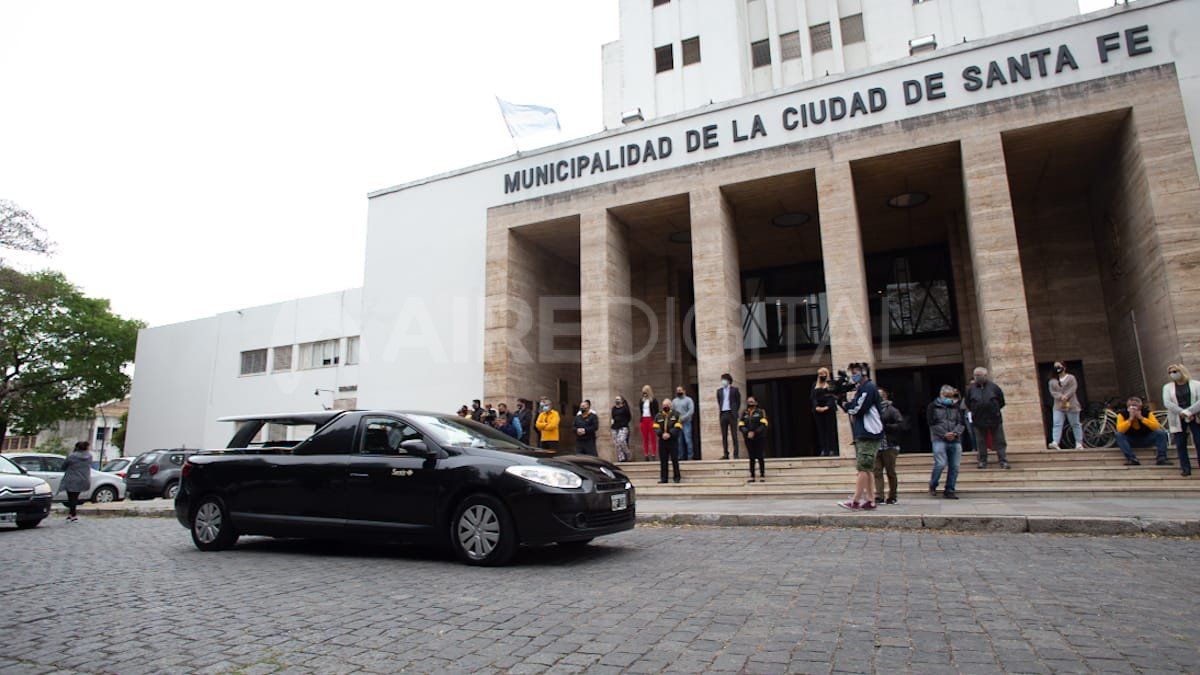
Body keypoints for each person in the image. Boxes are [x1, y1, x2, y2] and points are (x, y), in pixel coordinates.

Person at [837, 363, 883, 510]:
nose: (853, 376)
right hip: (867, 432)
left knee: (862, 467)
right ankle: (870, 500)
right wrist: (843, 402)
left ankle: (855, 501)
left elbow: (858, 408)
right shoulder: (863, 388)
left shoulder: (867, 388)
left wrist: (845, 405)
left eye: (855, 372)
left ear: (863, 373)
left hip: (869, 432)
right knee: (867, 469)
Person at [964, 367, 1009, 470]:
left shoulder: (994, 387)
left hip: (994, 419)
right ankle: (982, 461)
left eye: (979, 375)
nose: (977, 377)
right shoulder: (971, 389)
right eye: (976, 375)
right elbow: (968, 403)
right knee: (981, 441)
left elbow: (1001, 401)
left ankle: (1003, 460)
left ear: (985, 376)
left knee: (999, 440)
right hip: (978, 419)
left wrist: (994, 411)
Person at [927, 386, 966, 499]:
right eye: (947, 396)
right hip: (939, 439)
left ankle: (950, 489)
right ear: (941, 395)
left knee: (955, 466)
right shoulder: (933, 406)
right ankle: (933, 484)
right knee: (940, 463)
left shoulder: (956, 407)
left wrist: (955, 433)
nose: (949, 399)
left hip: (955, 439)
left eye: (951, 396)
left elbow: (961, 422)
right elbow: (931, 423)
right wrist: (944, 434)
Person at [1163, 364, 1200, 477]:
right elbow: (1167, 402)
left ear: (1182, 371)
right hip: (1177, 417)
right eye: (1170, 372)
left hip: (1195, 416)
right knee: (1180, 443)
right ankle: (1185, 468)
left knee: (1199, 441)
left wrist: (1189, 412)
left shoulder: (1196, 384)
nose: (1172, 374)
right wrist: (1181, 412)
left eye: (1174, 371)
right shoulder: (1167, 387)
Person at [1115, 397, 1169, 467]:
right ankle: (1131, 459)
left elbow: (1156, 427)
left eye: (1135, 406)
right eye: (1131, 406)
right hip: (1131, 440)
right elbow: (1120, 430)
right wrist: (1130, 419)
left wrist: (1142, 418)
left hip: (1146, 438)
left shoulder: (1147, 413)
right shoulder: (1122, 415)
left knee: (1161, 433)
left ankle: (1162, 458)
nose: (1133, 408)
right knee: (1118, 434)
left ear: (1140, 407)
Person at [874, 387, 906, 504]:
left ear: (885, 396)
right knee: (877, 472)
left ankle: (892, 495)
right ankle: (879, 495)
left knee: (890, 472)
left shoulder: (892, 410)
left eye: (880, 395)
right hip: (876, 445)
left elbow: (900, 425)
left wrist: (886, 426)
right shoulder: (873, 410)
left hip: (889, 445)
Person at [1047, 362, 1084, 450]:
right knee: (1057, 423)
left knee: (1075, 424)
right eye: (1055, 367)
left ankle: (1079, 443)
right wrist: (1060, 397)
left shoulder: (1071, 378)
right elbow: (1052, 392)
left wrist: (1066, 396)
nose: (1057, 368)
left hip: (1072, 405)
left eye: (1059, 366)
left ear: (1064, 367)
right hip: (1058, 406)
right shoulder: (1052, 381)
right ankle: (1055, 442)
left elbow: (1073, 388)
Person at [739, 396, 769, 482]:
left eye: (751, 401)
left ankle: (762, 475)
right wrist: (747, 432)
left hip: (759, 437)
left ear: (756, 403)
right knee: (751, 457)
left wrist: (754, 432)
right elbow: (741, 425)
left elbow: (764, 424)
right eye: (748, 402)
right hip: (748, 438)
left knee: (760, 456)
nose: (750, 403)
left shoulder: (761, 412)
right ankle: (752, 476)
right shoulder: (744, 413)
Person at [61, 441, 93, 522]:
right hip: (83, 479)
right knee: (75, 497)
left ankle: (73, 515)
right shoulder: (89, 456)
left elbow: (63, 466)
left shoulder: (72, 456)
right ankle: (71, 514)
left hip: (72, 479)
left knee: (71, 498)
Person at [653, 399, 683, 483]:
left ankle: (677, 477)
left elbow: (678, 426)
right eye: (664, 405)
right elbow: (655, 427)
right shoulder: (658, 415)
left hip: (673, 440)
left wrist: (670, 434)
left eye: (667, 405)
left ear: (671, 405)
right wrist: (661, 434)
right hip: (662, 440)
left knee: (675, 459)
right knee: (663, 460)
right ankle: (664, 478)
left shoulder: (676, 414)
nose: (665, 406)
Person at [812, 367, 839, 457]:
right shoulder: (815, 385)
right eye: (820, 374)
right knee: (821, 430)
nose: (821, 375)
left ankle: (832, 449)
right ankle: (824, 449)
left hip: (829, 410)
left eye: (823, 373)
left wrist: (827, 407)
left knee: (830, 430)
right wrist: (816, 407)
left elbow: (832, 397)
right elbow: (813, 397)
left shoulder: (831, 384)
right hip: (818, 411)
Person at [716, 373, 741, 460]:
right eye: (722, 379)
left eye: (724, 379)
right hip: (723, 413)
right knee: (724, 435)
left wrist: (734, 411)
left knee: (734, 434)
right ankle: (726, 454)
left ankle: (736, 454)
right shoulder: (719, 391)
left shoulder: (735, 390)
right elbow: (719, 401)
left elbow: (738, 402)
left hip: (732, 413)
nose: (723, 381)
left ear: (729, 380)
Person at [672, 386, 696, 460]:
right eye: (677, 390)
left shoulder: (688, 400)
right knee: (679, 441)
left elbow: (691, 411)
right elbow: (672, 411)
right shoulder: (674, 401)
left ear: (684, 391)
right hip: (678, 423)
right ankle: (680, 457)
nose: (679, 392)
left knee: (688, 440)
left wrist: (683, 418)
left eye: (680, 390)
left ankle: (690, 457)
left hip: (687, 423)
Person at [639, 385, 660, 461]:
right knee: (645, 438)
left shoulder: (653, 400)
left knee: (653, 437)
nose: (644, 393)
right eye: (643, 392)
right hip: (644, 419)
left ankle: (653, 454)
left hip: (651, 419)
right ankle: (646, 454)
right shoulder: (641, 401)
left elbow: (657, 411)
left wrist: (655, 420)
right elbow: (641, 411)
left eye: (645, 391)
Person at [611, 395, 632, 462]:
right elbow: (613, 417)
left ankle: (627, 453)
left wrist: (624, 422)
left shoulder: (625, 408)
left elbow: (629, 417)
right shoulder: (614, 408)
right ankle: (621, 458)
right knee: (616, 443)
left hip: (623, 427)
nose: (617, 400)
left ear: (622, 400)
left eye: (618, 399)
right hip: (615, 427)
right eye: (616, 399)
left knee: (621, 441)